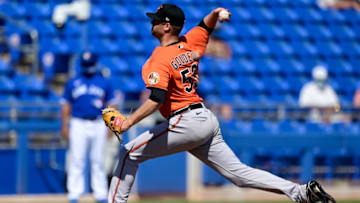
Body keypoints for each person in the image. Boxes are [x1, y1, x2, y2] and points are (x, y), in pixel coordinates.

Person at [107, 4, 335, 203]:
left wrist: (127, 122)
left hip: (185, 121)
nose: (152, 23)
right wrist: (216, 13)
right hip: (204, 119)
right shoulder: (189, 42)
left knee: (128, 153)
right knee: (239, 174)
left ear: (167, 26)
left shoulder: (159, 59)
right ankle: (302, 192)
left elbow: (157, 99)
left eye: (156, 20)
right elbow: (206, 25)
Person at [61, 51, 116, 203]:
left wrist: (111, 126)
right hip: (78, 122)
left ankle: (100, 194)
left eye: (90, 63)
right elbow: (65, 104)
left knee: (98, 159)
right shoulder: (73, 81)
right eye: (86, 64)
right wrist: (64, 125)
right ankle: (74, 194)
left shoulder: (104, 82)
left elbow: (111, 104)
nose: (88, 67)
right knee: (76, 159)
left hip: (98, 122)